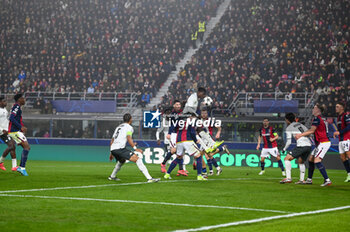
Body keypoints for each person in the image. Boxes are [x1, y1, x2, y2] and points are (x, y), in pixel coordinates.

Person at [108, 113, 159, 183]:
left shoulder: (118, 127)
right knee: (137, 159)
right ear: (130, 119)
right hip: (120, 149)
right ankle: (149, 178)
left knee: (122, 161)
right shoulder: (129, 127)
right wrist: (135, 148)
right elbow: (129, 138)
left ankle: (112, 176)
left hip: (113, 149)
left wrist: (111, 153)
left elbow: (112, 140)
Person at [295, 104, 332, 186]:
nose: (312, 109)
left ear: (318, 110)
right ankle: (309, 179)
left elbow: (312, 130)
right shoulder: (322, 119)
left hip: (324, 142)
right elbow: (315, 131)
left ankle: (327, 180)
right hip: (320, 143)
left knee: (317, 160)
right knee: (311, 159)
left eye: (314, 108)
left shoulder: (316, 119)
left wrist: (300, 135)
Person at [164, 113, 207, 181]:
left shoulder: (178, 122)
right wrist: (195, 140)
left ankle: (167, 174)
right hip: (187, 141)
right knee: (198, 156)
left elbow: (173, 130)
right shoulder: (190, 122)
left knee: (178, 158)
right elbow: (192, 132)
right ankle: (199, 176)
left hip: (179, 142)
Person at [279, 113, 312, 184]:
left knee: (286, 159)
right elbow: (309, 134)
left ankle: (288, 178)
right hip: (308, 145)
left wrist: (284, 149)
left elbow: (289, 142)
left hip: (301, 145)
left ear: (287, 120)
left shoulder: (289, 128)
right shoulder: (301, 125)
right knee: (301, 161)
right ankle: (301, 180)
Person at [164, 100, 188, 176]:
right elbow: (171, 125)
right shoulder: (172, 114)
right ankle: (163, 163)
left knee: (181, 152)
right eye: (177, 104)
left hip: (180, 134)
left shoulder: (181, 113)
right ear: (174, 105)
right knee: (174, 151)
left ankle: (181, 169)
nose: (178, 106)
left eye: (179, 104)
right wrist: (169, 133)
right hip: (174, 134)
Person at [8, 93, 30, 176]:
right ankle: (22, 167)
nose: (24, 100)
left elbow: (16, 118)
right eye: (23, 98)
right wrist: (20, 127)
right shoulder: (16, 106)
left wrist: (22, 127)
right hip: (14, 131)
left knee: (26, 147)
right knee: (27, 147)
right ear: (19, 99)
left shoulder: (18, 107)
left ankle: (21, 167)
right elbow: (11, 118)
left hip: (16, 131)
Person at [333, 102, 350, 182]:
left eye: (337, 106)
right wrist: (337, 132)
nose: (336, 108)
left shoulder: (345, 115)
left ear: (342, 108)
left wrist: (339, 132)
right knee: (343, 157)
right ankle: (349, 174)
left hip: (346, 138)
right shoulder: (338, 117)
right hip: (341, 139)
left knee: (349, 155)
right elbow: (340, 128)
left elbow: (349, 126)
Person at [0, 96, 17, 171]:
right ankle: (0, 162)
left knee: (12, 146)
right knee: (11, 146)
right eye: (4, 101)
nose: (5, 103)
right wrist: (2, 130)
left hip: (6, 131)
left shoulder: (5, 110)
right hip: (2, 132)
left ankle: (14, 166)